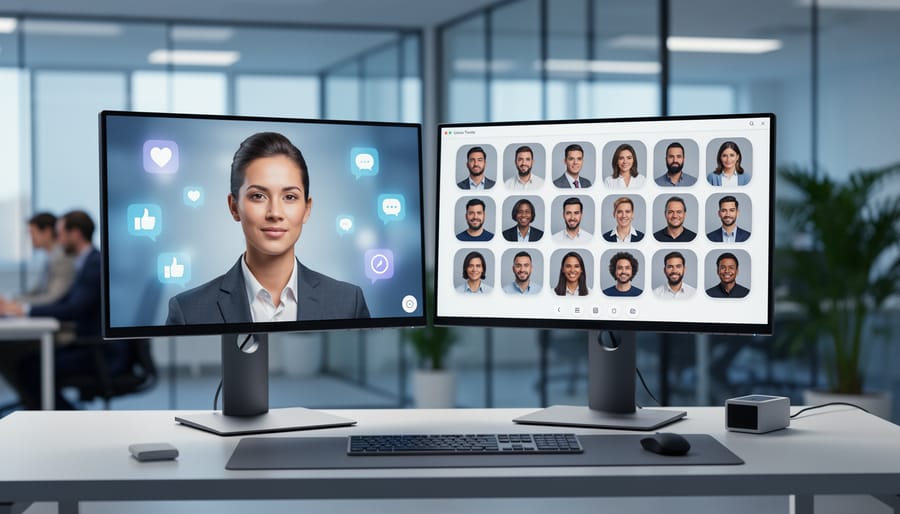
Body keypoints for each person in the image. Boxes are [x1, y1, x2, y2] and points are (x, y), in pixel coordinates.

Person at [167, 132, 370, 325]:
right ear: (234, 207)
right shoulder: (188, 311)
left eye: (289, 197)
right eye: (258, 196)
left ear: (307, 209)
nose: (275, 212)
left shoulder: (347, 303)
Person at [0, 210, 128, 410]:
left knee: (30, 368)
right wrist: (22, 308)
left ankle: (65, 417)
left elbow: (73, 309)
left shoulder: (94, 264)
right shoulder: (85, 262)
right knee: (27, 364)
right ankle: (47, 413)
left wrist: (25, 310)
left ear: (75, 234)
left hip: (96, 351)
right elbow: (68, 303)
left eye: (60, 234)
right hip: (88, 345)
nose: (58, 241)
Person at [13, 212, 77, 306]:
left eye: (33, 233)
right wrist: (13, 300)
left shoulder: (63, 257)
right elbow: (37, 290)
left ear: (47, 232)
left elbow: (54, 298)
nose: (31, 238)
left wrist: (17, 303)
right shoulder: (50, 256)